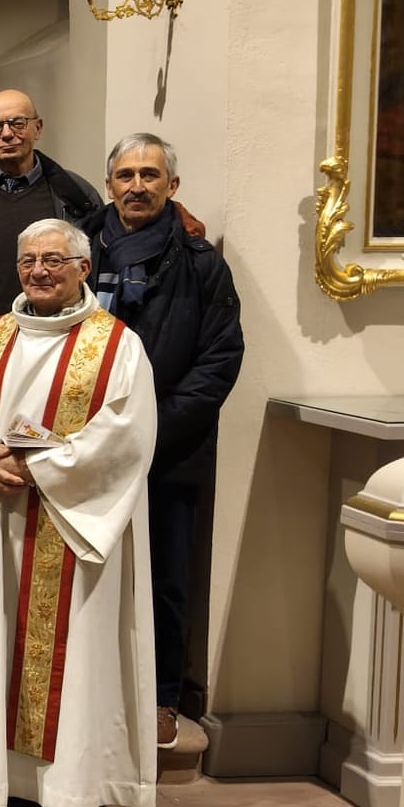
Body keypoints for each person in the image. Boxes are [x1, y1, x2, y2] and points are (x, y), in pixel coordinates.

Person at [0, 217, 157, 807]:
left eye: (54, 260)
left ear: (83, 267)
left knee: (68, 658)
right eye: (29, 261)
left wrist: (38, 467)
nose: (40, 271)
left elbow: (125, 439)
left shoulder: (115, 346)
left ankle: (65, 795)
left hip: (72, 529)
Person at [81, 133, 243, 746]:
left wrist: (151, 430)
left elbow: (219, 359)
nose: (137, 186)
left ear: (171, 186)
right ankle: (92, 685)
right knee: (89, 572)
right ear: (109, 184)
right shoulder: (79, 252)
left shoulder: (201, 264)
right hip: (85, 452)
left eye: (150, 175)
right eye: (125, 175)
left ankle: (161, 696)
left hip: (168, 453)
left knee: (164, 580)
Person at [0, 90, 102, 321]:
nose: (6, 134)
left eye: (17, 123)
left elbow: (95, 273)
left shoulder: (77, 197)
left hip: (62, 333)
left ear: (38, 128)